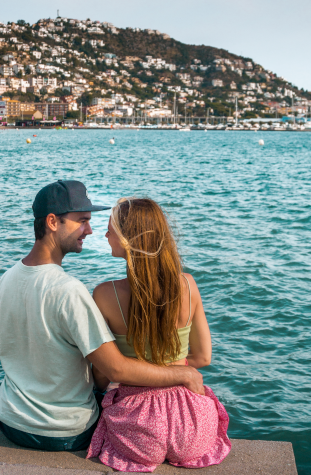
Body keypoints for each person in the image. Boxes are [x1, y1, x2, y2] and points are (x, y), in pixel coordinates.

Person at [0, 181, 204, 452]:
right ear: (53, 222)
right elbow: (114, 369)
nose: (89, 231)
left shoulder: (7, 278)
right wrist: (184, 375)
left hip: (9, 422)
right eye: (82, 221)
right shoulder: (69, 290)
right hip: (63, 432)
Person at [87, 197, 231, 472]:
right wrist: (173, 369)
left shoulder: (105, 295)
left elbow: (103, 374)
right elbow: (202, 357)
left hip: (137, 427)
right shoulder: (188, 285)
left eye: (110, 228)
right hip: (192, 424)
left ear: (129, 238)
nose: (104, 234)